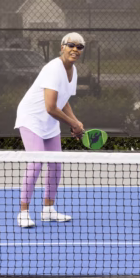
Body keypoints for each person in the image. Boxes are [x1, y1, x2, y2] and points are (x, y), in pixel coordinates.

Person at [14, 33, 86, 228]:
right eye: (71, 45)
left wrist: (75, 121)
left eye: (79, 47)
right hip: (32, 118)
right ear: (62, 47)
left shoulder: (73, 71)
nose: (75, 49)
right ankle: (23, 212)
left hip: (49, 121)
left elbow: (63, 100)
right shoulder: (53, 69)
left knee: (56, 164)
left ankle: (48, 210)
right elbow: (51, 107)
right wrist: (73, 124)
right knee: (36, 163)